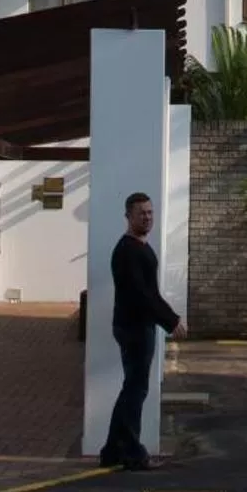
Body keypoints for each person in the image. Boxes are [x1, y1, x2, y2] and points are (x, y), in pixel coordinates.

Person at [98, 191, 183, 470]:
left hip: (137, 326)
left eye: (149, 212)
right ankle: (133, 453)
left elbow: (150, 293)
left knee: (132, 389)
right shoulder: (127, 251)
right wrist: (171, 321)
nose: (147, 218)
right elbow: (142, 295)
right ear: (128, 216)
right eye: (141, 214)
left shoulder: (139, 247)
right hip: (133, 328)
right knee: (135, 391)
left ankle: (112, 451)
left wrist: (169, 318)